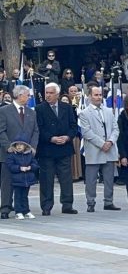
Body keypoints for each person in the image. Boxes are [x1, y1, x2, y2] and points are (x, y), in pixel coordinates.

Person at [35, 83, 78, 216]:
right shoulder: (39, 108)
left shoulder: (67, 107)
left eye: (51, 93)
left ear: (57, 94)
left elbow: (73, 126)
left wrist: (68, 137)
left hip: (64, 147)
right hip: (47, 148)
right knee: (47, 179)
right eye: (46, 92)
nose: (48, 95)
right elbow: (38, 128)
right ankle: (46, 206)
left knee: (66, 178)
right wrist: (51, 138)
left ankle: (67, 204)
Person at [0, 85, 39, 219]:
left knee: (24, 181)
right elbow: (1, 130)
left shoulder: (31, 112)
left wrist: (32, 147)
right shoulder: (4, 111)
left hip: (26, 155)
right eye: (27, 95)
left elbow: (35, 131)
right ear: (20, 95)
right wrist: (8, 146)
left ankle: (22, 208)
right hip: (9, 154)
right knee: (7, 182)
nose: (29, 97)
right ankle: (5, 208)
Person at [79, 85, 120, 212]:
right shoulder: (84, 113)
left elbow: (115, 128)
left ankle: (109, 201)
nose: (98, 97)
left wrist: (110, 141)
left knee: (109, 178)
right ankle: (90, 202)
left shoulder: (108, 111)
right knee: (91, 179)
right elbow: (87, 132)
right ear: (90, 96)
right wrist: (102, 144)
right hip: (94, 150)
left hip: (109, 149)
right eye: (96, 95)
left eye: (100, 95)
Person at [5, 134, 39, 220]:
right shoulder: (12, 155)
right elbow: (10, 165)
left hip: (27, 179)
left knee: (25, 196)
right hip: (17, 179)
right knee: (18, 196)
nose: (19, 146)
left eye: (21, 144)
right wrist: (19, 168)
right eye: (17, 144)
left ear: (26, 146)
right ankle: (18, 211)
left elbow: (35, 164)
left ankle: (26, 211)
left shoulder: (29, 155)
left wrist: (30, 167)